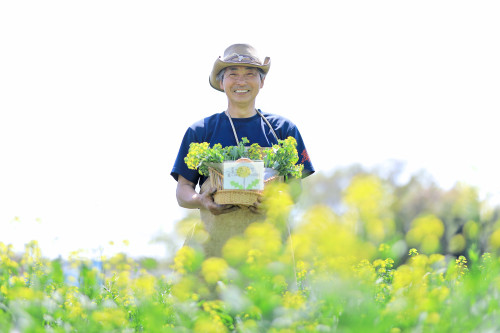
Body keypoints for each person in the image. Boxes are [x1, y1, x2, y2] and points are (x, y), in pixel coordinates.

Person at [171, 44, 314, 257]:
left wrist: (276, 199)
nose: (241, 81)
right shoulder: (201, 131)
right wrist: (200, 200)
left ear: (262, 81)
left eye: (250, 74)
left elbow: (296, 188)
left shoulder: (283, 130)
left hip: (269, 248)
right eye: (233, 74)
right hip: (214, 249)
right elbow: (183, 190)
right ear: (222, 82)